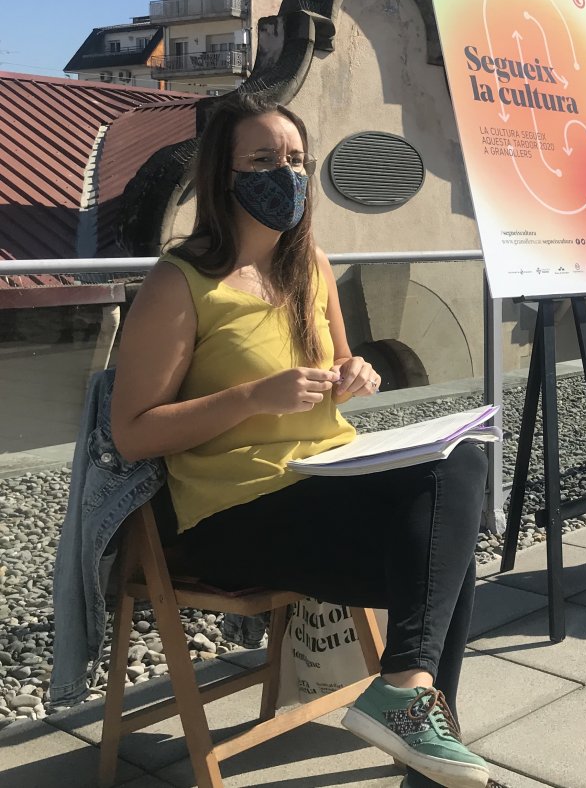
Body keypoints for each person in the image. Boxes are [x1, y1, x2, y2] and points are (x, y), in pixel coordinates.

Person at [110, 93, 490, 788]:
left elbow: (341, 367)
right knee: (448, 543)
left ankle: (407, 699)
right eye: (261, 160)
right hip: (234, 512)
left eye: (294, 160)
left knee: (460, 469)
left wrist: (356, 374)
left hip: (324, 480)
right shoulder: (182, 280)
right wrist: (255, 397)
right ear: (222, 176)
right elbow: (133, 432)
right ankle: (412, 719)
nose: (283, 175)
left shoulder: (307, 264)